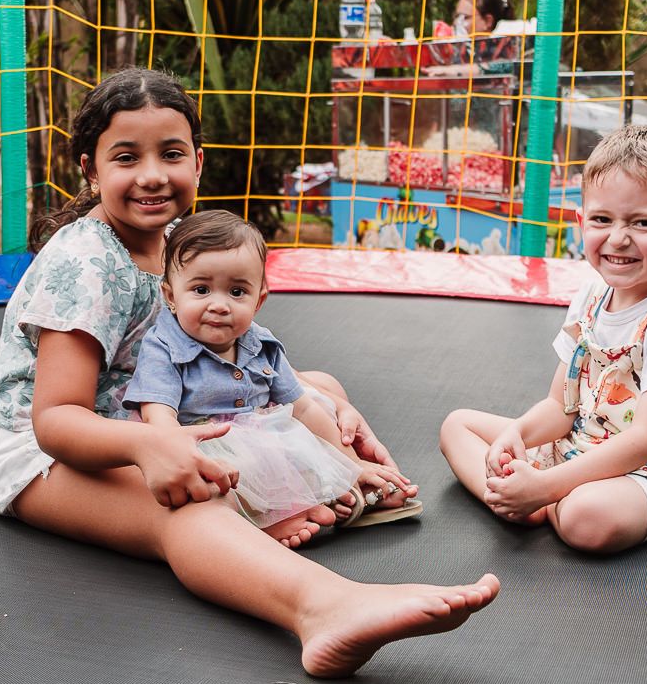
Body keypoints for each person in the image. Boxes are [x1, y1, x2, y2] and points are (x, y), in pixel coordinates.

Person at [0, 67, 499, 678]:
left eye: (171, 154)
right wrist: (152, 445)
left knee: (318, 384)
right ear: (91, 171)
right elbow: (56, 421)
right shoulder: (85, 260)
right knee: (185, 510)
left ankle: (339, 479)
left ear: (198, 163)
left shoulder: (179, 240)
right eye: (126, 157)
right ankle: (324, 608)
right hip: (56, 456)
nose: (152, 174)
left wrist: (325, 417)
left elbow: (242, 359)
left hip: (153, 414)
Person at [440, 125, 647, 554]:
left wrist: (545, 484)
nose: (619, 238)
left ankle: (538, 499)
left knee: (589, 519)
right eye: (603, 220)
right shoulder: (592, 295)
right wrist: (518, 433)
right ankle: (525, 500)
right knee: (457, 425)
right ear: (580, 222)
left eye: (644, 223)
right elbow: (560, 407)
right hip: (581, 443)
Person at [123, 209, 422, 547]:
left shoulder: (260, 342)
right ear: (171, 297)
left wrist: (350, 465)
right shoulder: (163, 347)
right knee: (234, 470)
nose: (219, 305)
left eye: (237, 293)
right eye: (201, 289)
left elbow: (304, 409)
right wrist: (181, 457)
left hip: (261, 429)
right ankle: (266, 517)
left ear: (259, 299)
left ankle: (341, 489)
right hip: (203, 441)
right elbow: (158, 417)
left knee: (313, 416)